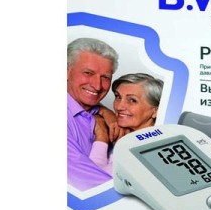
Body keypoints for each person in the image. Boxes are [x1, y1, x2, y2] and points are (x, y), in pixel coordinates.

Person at [67, 37, 124, 190]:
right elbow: (87, 181)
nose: (97, 85)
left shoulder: (100, 113)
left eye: (105, 77)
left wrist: (102, 110)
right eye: (88, 73)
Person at [89, 73, 164, 174]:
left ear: (156, 111)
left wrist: (101, 136)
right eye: (118, 96)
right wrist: (104, 111)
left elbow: (93, 176)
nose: (119, 107)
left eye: (132, 100)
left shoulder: (147, 149)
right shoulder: (127, 135)